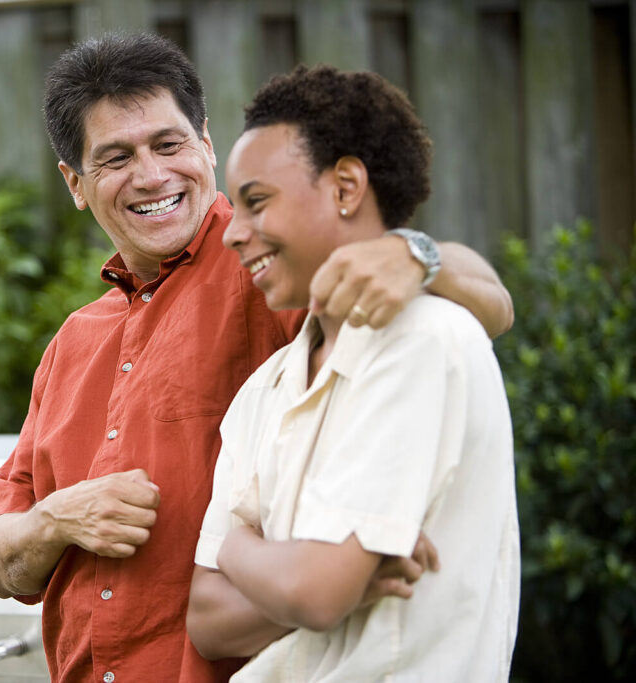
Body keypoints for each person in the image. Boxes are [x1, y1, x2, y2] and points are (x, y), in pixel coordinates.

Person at [0, 32, 513, 682]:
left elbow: (486, 304)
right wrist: (59, 517)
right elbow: (0, 563)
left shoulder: (270, 271)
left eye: (168, 144)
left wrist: (414, 254)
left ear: (204, 143)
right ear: (76, 184)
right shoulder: (72, 344)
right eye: (116, 157)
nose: (151, 175)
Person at [186, 65, 519, 681]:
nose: (232, 231)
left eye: (256, 201)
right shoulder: (264, 390)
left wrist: (242, 552)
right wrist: (304, 577)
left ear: (345, 187)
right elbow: (207, 619)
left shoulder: (421, 340)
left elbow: (315, 592)